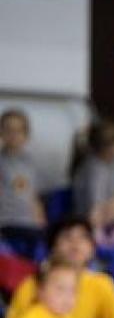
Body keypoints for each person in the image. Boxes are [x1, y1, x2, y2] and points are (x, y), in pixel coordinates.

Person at [5, 216, 114, 318]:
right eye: (67, 237)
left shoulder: (102, 285)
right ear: (53, 248)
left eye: (83, 237)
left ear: (92, 249)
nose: (75, 244)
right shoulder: (33, 284)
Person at [0, 108, 45, 259]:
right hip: (6, 223)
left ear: (26, 135)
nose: (13, 135)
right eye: (8, 130)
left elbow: (34, 195)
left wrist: (40, 220)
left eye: (18, 131)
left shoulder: (30, 162)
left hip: (30, 224)